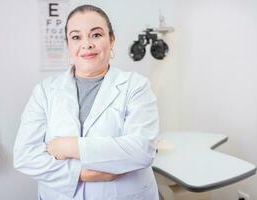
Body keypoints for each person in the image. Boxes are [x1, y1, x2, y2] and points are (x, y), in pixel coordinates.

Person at [13, 4, 159, 200]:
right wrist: (80, 174)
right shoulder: (45, 91)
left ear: (112, 39)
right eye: (76, 37)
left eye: (96, 35)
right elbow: (25, 156)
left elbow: (141, 151)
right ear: (68, 45)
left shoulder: (136, 86)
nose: (87, 44)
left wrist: (67, 147)